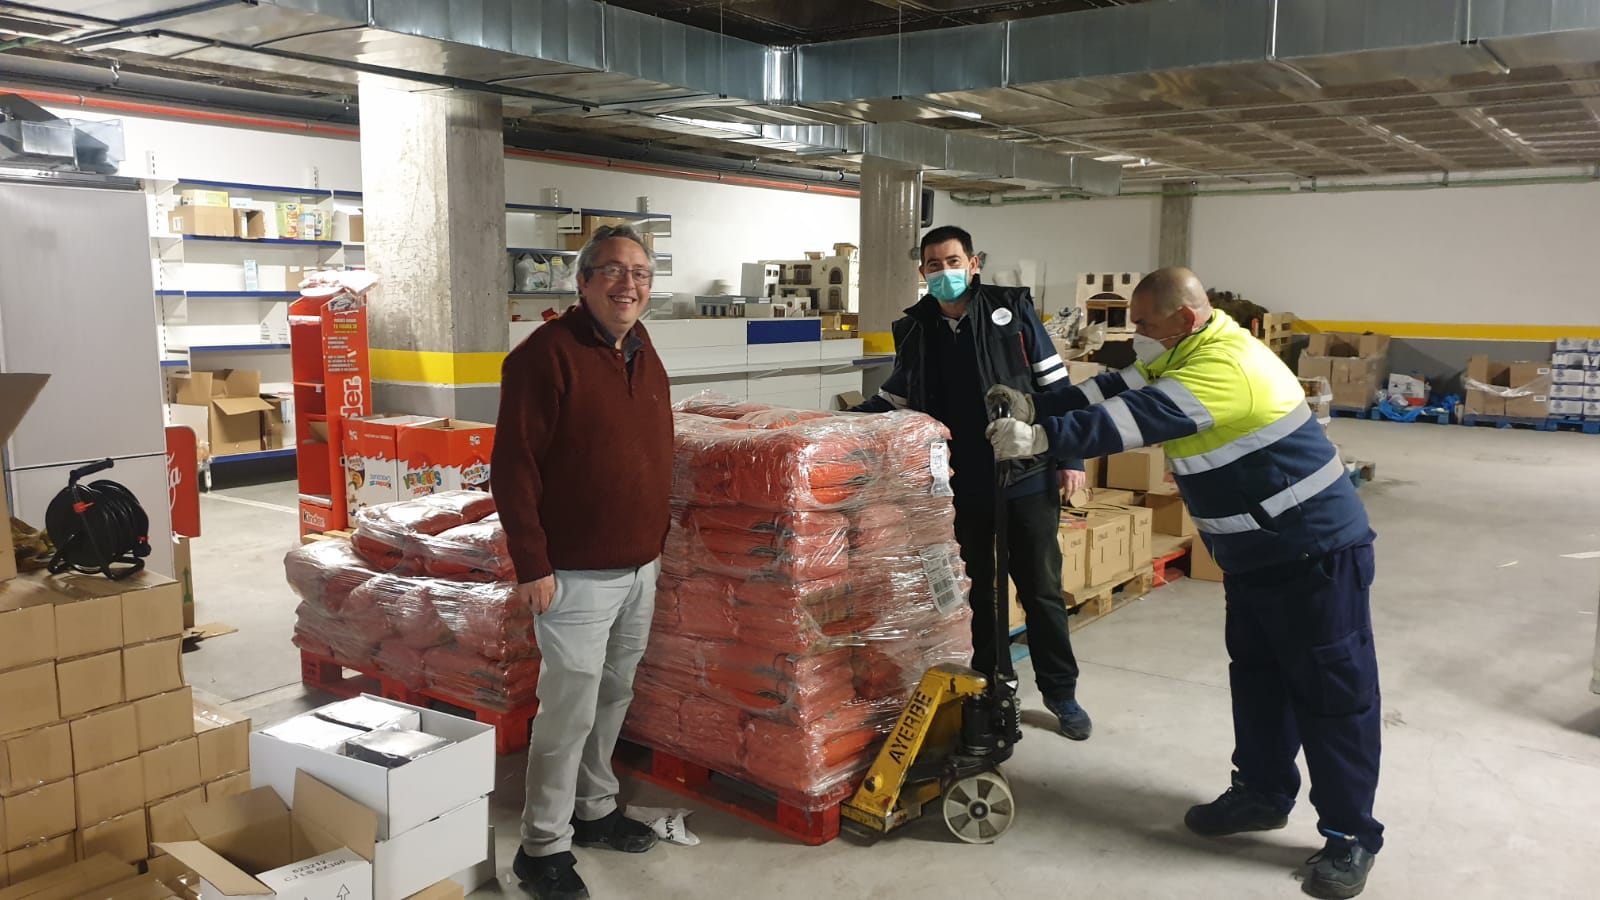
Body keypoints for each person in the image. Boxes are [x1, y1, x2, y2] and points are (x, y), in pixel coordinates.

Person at [985, 267, 1382, 899]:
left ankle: (1349, 834)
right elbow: (1113, 388)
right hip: (1253, 558)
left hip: (1314, 554)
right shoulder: (1182, 350)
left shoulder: (1225, 367)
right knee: (1258, 682)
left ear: (1185, 318)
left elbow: (1134, 419)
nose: (1136, 334)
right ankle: (1262, 794)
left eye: (1145, 323)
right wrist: (1040, 403)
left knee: (1333, 696)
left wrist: (1038, 438)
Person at [851, 224, 1093, 740]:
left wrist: (1070, 455)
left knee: (1041, 589)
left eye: (953, 262)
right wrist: (835, 426)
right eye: (934, 265)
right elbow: (896, 397)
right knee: (977, 590)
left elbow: (1055, 385)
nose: (945, 272)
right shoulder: (915, 328)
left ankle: (1061, 692)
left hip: (1026, 474)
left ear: (974, 263)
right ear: (922, 271)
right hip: (960, 483)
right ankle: (992, 682)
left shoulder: (1012, 311)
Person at [492, 224, 674, 900]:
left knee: (613, 696)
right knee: (567, 712)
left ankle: (594, 810)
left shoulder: (642, 349)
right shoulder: (544, 355)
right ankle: (541, 848)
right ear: (584, 281)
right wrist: (532, 564)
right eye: (614, 271)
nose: (629, 285)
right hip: (572, 575)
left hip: (639, 568)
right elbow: (513, 467)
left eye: (641, 274)